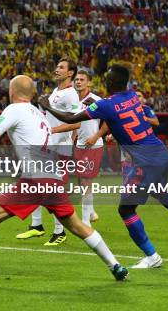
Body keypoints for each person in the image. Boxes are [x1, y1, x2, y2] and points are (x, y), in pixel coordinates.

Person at [0, 75, 128, 287]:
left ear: (12, 92)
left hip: (36, 178)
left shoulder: (14, 109)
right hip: (53, 177)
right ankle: (115, 265)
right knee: (77, 226)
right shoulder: (39, 115)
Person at [39, 65, 168, 268]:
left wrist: (46, 105)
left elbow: (70, 118)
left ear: (111, 83)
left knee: (126, 210)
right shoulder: (132, 96)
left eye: (108, 78)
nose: (106, 80)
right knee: (161, 192)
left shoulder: (106, 105)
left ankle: (152, 257)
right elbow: (121, 118)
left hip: (144, 161)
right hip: (161, 153)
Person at [17, 59, 80, 246]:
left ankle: (60, 231)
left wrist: (53, 130)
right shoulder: (56, 92)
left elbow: (77, 122)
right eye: (57, 66)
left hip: (60, 146)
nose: (56, 69)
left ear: (71, 73)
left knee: (54, 188)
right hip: (46, 145)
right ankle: (37, 225)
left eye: (61, 67)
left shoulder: (71, 94)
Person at [72, 70, 104, 226]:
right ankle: (90, 212)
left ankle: (85, 222)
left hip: (93, 145)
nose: (78, 82)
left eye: (82, 79)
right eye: (76, 79)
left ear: (89, 83)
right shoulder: (72, 100)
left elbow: (110, 120)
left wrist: (97, 136)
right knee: (81, 180)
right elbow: (74, 123)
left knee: (86, 182)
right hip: (79, 145)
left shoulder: (96, 100)